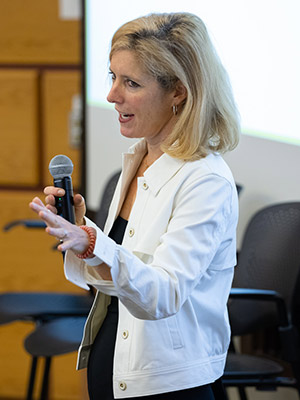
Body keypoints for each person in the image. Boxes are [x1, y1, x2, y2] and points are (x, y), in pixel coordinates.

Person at [30, 12, 240, 400]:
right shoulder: (139, 159)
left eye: (131, 83)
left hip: (170, 382)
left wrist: (93, 241)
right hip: (115, 362)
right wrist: (80, 233)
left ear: (178, 91)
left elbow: (163, 294)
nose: (112, 96)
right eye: (112, 77)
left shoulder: (205, 180)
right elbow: (117, 279)